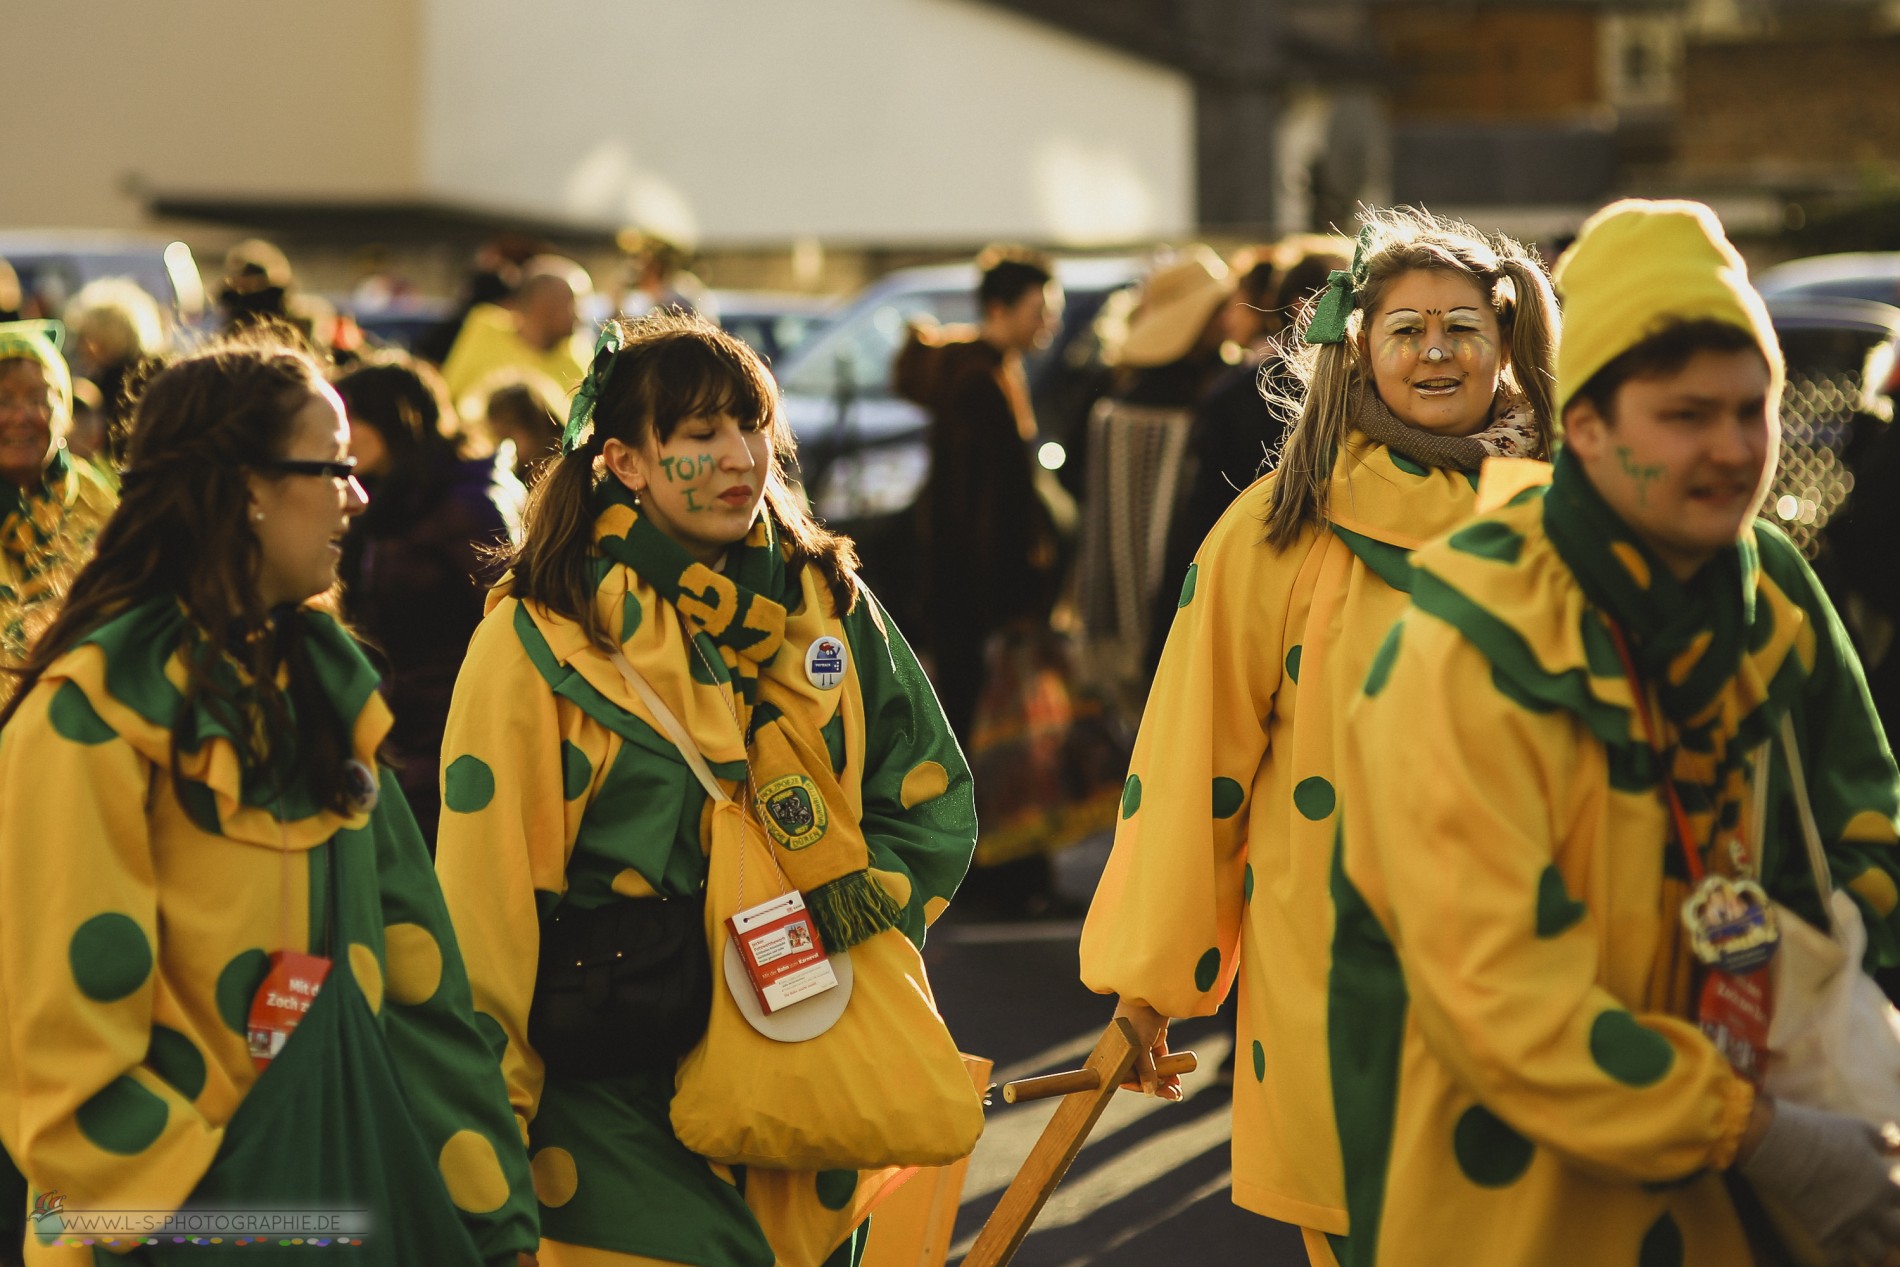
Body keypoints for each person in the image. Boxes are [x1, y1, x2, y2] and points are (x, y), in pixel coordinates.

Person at [1334, 199, 1900, 1264]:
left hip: (1765, 1191)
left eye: (1753, 410)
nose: (1734, 451)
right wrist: (1761, 1136)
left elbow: (1866, 825)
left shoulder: (1768, 587)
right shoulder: (1472, 641)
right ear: (1585, 428)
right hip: (1525, 1206)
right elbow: (1501, 1000)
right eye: (1686, 416)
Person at [434, 313, 975, 1267]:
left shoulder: (832, 602)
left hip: (805, 1068)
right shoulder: (537, 639)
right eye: (698, 435)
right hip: (612, 1085)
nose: (740, 457)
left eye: (753, 425)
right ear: (627, 462)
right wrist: (483, 1148)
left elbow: (930, 805)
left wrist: (833, 919)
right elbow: (486, 908)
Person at [1078, 207, 1560, 1266]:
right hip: (1342, 972)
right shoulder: (1277, 528)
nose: (1436, 350)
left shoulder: (1568, 526)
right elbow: (1190, 762)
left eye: (1462, 326)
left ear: (1508, 343)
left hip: (1546, 972)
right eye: (1406, 329)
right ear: (1359, 349)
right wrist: (1149, 984)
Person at [0, 333, 538, 1265]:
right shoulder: (88, 717)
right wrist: (225, 1223)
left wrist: (495, 1223)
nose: (358, 494)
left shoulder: (326, 696)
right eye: (330, 467)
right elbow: (60, 1051)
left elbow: (420, 989)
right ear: (246, 486)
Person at [333, 354, 524, 846]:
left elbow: (508, 625)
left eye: (352, 418)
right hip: (392, 736)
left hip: (449, 741)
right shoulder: (377, 498)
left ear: (394, 421)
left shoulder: (464, 504)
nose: (342, 433)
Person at [894, 246, 1066, 749]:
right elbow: (976, 505)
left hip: (963, 589)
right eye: (1040, 312)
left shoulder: (992, 369)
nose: (1049, 325)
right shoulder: (978, 381)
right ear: (999, 310)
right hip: (972, 593)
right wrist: (1012, 596)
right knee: (973, 727)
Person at [1072, 246, 1235, 721]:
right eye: (1217, 307)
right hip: (1181, 590)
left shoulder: (1117, 389)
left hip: (1123, 606)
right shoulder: (1213, 394)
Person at [0, 322, 117, 667]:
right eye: (3, 400)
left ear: (63, 413)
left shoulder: (97, 499)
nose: (20, 416)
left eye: (39, 399)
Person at [442, 257, 592, 404]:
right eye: (574, 304)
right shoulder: (485, 327)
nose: (579, 316)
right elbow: (449, 394)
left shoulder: (582, 357)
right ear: (544, 305)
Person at [475, 370, 567, 484]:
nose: (504, 449)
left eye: (507, 436)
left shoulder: (571, 471)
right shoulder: (510, 481)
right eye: (496, 440)